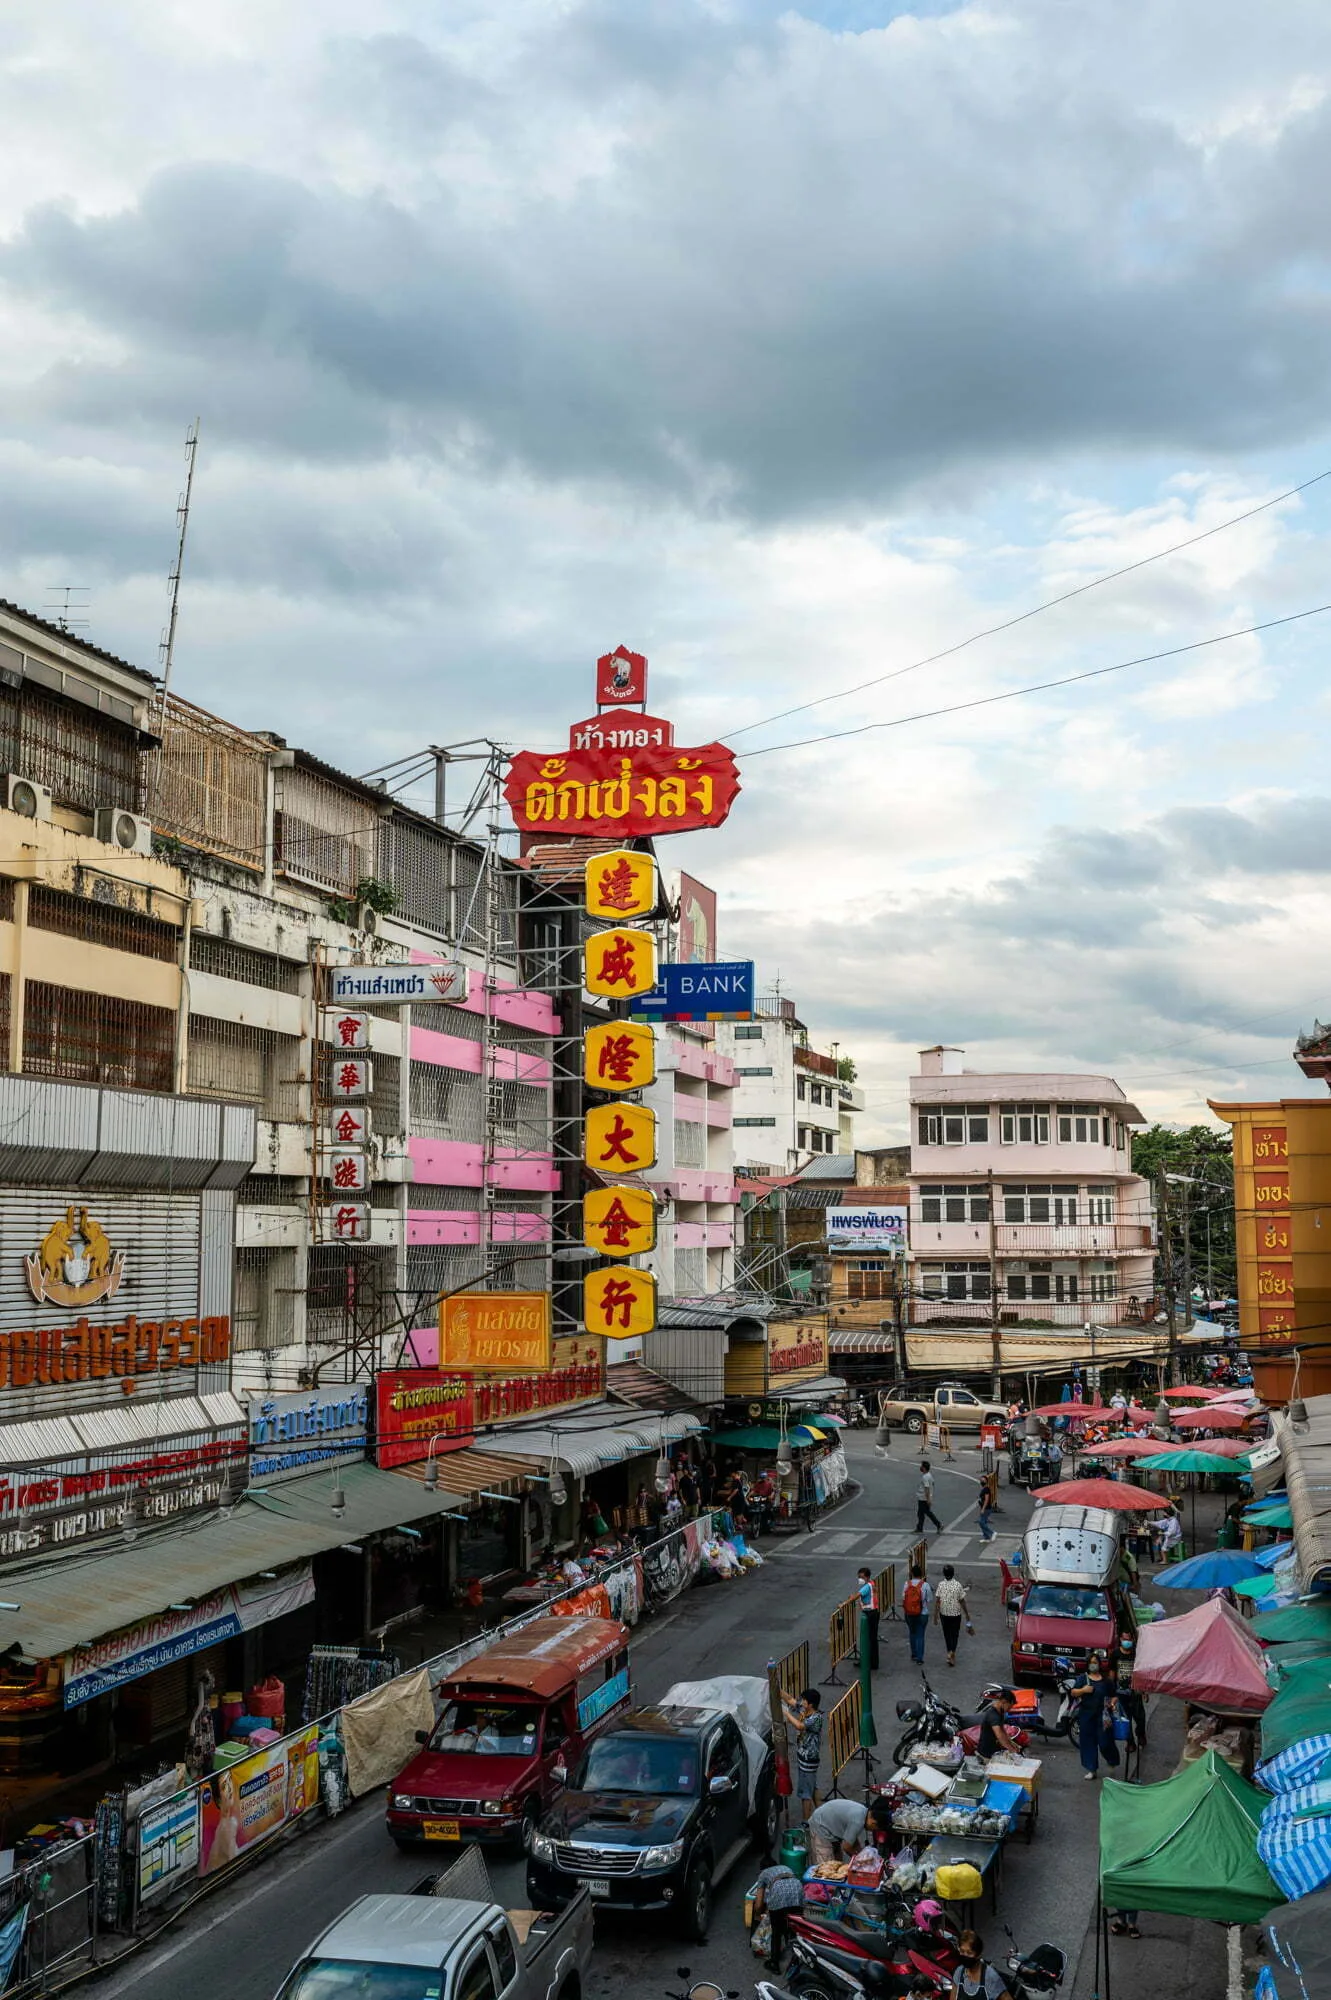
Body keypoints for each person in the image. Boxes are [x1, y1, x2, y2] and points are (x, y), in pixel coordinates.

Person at [1071, 1654, 1121, 1781]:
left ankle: (1112, 1760)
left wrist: (1112, 1703)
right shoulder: (1083, 1679)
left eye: (1096, 1662)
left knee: (1105, 1742)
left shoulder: (1106, 1681)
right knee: (1088, 1743)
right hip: (1087, 1716)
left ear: (1099, 1664)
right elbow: (1073, 1692)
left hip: (1104, 1716)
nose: (1093, 1665)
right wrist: (1083, 1690)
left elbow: (1114, 1695)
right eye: (1091, 1662)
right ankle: (1091, 1769)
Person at [781, 1686, 824, 1818]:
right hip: (803, 1758)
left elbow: (800, 1726)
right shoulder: (805, 1711)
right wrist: (775, 1687)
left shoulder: (816, 1718)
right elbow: (791, 1700)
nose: (802, 1702)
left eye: (804, 1700)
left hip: (808, 1760)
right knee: (812, 1788)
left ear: (810, 1704)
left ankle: (806, 1822)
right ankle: (822, 1815)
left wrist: (787, 1714)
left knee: (805, 1792)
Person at [752, 1860, 803, 1970]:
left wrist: (758, 1914)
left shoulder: (763, 1874)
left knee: (776, 1931)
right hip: (797, 1889)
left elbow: (759, 1903)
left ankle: (774, 1963)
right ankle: (797, 1959)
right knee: (795, 1927)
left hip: (779, 1891)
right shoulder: (785, 1867)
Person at [948, 1930, 1014, 2000]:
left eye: (969, 1953)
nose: (965, 1955)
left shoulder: (990, 1977)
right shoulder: (959, 1972)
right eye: (962, 1951)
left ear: (978, 1955)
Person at [933, 1565, 973, 1667]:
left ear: (944, 1574)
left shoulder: (941, 1585)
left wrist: (935, 1615)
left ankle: (950, 1653)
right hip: (955, 1614)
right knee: (954, 1634)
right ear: (953, 1573)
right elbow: (962, 1601)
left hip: (944, 1613)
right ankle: (952, 1653)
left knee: (947, 1634)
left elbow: (937, 1601)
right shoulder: (958, 1585)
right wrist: (967, 1614)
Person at [973, 1688, 1021, 1759]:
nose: (1009, 1709)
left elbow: (1003, 1731)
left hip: (994, 1749)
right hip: (986, 1753)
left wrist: (1012, 1743)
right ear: (1004, 1702)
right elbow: (1000, 1736)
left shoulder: (1000, 1712)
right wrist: (1012, 1750)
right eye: (1009, 1706)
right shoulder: (993, 1716)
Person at [903, 1564, 933, 1664]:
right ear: (921, 1574)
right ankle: (920, 1658)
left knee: (912, 1633)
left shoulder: (907, 1584)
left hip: (909, 1613)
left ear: (911, 1573)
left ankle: (914, 1654)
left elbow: (903, 1597)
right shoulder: (925, 1585)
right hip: (922, 1613)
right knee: (920, 1635)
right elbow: (929, 1599)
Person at [857, 1566, 881, 1669]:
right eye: (859, 1577)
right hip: (871, 1612)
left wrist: (846, 1602)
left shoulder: (867, 1587)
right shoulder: (871, 1583)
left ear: (866, 1577)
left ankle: (872, 1663)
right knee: (869, 1639)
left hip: (870, 1614)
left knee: (871, 1639)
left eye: (861, 1577)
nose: (860, 1579)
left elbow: (857, 1595)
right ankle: (867, 1660)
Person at [915, 1459, 942, 1535]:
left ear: (924, 1468)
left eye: (921, 1466)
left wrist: (928, 1499)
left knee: (928, 1513)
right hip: (923, 1497)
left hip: (923, 1498)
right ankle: (919, 1527)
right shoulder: (929, 1475)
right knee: (920, 1513)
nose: (920, 1467)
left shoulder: (925, 1477)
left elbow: (927, 1488)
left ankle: (939, 1525)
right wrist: (931, 1494)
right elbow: (932, 1484)